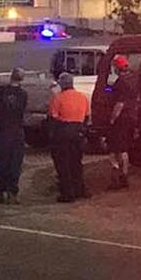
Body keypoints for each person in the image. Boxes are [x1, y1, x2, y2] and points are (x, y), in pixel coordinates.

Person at [0, 68, 28, 204]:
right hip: (17, 132)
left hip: (3, 131)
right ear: (21, 79)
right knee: (15, 163)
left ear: (11, 76)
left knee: (0, 162)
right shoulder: (23, 94)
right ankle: (12, 192)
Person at [48, 72, 91, 203]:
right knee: (76, 162)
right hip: (78, 132)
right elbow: (87, 116)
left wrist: (52, 135)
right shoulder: (82, 97)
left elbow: (53, 118)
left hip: (63, 132)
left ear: (62, 84)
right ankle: (80, 189)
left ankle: (67, 193)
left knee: (63, 164)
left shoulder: (58, 98)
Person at [106, 54, 139, 190]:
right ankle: (124, 175)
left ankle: (117, 178)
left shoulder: (120, 83)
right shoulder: (134, 79)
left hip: (121, 119)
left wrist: (112, 119)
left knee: (114, 150)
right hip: (132, 117)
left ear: (117, 67)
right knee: (124, 149)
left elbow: (119, 103)